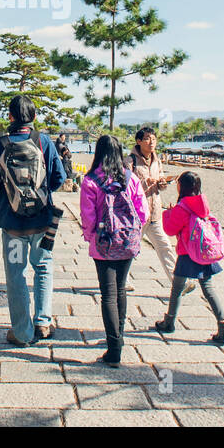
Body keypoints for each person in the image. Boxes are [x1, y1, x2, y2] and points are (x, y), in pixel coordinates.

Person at [0, 95, 66, 346]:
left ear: (10, 117)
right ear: (34, 117)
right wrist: (41, 196)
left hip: (13, 224)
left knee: (16, 274)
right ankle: (43, 322)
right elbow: (59, 177)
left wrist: (10, 199)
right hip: (42, 221)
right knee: (43, 266)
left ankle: (22, 331)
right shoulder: (43, 142)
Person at [78, 135, 147, 367]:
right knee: (120, 289)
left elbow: (88, 217)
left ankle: (113, 348)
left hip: (104, 242)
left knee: (107, 294)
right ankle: (120, 337)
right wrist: (134, 232)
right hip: (127, 241)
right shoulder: (130, 177)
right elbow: (142, 210)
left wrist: (90, 237)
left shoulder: (90, 180)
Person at [152, 171, 224, 344]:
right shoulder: (202, 204)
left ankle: (169, 321)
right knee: (208, 288)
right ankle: (223, 323)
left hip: (188, 252)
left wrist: (168, 213)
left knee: (177, 288)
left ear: (182, 186)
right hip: (204, 252)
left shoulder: (182, 207)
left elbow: (170, 230)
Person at [130, 127, 194, 295]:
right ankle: (120, 281)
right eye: (147, 139)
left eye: (153, 139)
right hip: (137, 214)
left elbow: (160, 185)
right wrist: (145, 183)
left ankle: (180, 284)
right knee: (131, 248)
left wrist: (162, 183)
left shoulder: (156, 161)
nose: (151, 142)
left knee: (165, 246)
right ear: (138, 141)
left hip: (155, 212)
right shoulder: (130, 161)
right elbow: (127, 187)